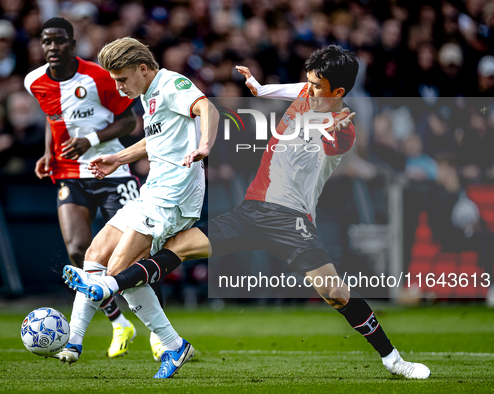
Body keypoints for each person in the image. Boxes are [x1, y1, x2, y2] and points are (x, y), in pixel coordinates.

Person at [86, 45, 431, 379]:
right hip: (251, 211)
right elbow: (293, 88)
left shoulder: (343, 127)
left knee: (336, 293)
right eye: (307, 81)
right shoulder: (311, 91)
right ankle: (111, 286)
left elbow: (330, 139)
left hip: (291, 220)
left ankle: (394, 360)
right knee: (177, 246)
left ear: (337, 91)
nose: (308, 90)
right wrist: (261, 88)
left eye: (316, 86)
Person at [59, 37, 219, 379]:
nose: (118, 87)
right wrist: (118, 157)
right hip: (152, 192)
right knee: (94, 255)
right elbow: (157, 138)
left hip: (172, 198)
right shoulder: (149, 93)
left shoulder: (174, 84)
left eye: (121, 79)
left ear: (142, 68)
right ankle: (73, 340)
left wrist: (205, 145)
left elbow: (209, 108)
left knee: (121, 271)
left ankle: (172, 344)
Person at [24, 18, 163, 361]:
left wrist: (91, 139)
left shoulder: (98, 76)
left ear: (72, 44)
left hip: (112, 169)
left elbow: (131, 121)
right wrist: (48, 152)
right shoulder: (34, 81)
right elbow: (52, 116)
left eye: (59, 41)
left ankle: (159, 333)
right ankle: (118, 323)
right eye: (46, 42)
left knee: (130, 256)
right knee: (77, 251)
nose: (52, 47)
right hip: (69, 172)